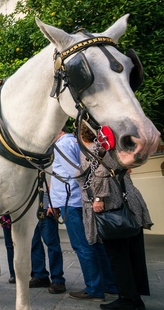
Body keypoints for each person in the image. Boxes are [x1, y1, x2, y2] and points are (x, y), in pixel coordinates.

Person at [78, 125, 153, 310]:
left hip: (113, 207)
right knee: (131, 252)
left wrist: (98, 198)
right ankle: (134, 296)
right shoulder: (112, 147)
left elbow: (99, 173)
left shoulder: (94, 149)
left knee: (118, 255)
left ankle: (128, 299)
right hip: (129, 202)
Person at [50, 127, 117, 301]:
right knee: (95, 243)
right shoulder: (74, 141)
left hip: (71, 201)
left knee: (82, 246)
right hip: (78, 200)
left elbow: (75, 171)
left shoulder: (62, 145)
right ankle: (109, 285)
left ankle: (94, 289)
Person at [29, 192, 66, 294]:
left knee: (52, 244)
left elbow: (53, 184)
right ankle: (39, 276)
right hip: (29, 209)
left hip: (46, 207)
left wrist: (52, 205)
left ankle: (57, 279)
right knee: (34, 243)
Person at [0, 215, 15, 284]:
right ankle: (13, 273)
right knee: (9, 246)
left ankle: (18, 273)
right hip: (6, 217)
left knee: (21, 245)